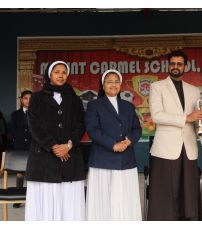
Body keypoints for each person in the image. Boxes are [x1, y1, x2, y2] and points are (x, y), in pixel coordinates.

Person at [147, 50, 202, 221]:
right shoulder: (157, 87)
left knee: (188, 193)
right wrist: (186, 118)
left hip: (188, 148)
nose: (175, 67)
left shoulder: (194, 90)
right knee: (164, 194)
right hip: (165, 148)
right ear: (168, 65)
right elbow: (157, 115)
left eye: (179, 64)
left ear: (185, 67)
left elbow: (197, 121)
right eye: (172, 63)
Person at [25, 61, 86, 220]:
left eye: (64, 72)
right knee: (46, 204)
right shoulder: (37, 98)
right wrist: (53, 146)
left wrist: (69, 145)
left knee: (68, 204)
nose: (61, 75)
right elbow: (34, 126)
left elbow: (80, 125)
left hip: (70, 158)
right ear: (49, 74)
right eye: (57, 72)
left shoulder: (75, 99)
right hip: (44, 160)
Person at [85, 69, 142, 220]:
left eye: (117, 82)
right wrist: (113, 145)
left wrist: (129, 140)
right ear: (103, 85)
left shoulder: (128, 106)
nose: (113, 84)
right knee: (103, 200)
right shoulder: (94, 105)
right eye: (109, 81)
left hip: (126, 159)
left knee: (125, 199)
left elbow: (137, 129)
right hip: (103, 160)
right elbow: (93, 130)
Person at [10, 90, 32, 208]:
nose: (28, 101)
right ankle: (18, 197)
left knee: (32, 172)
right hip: (19, 147)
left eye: (30, 98)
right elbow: (13, 130)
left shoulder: (36, 113)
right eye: (25, 98)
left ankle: (32, 198)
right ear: (21, 100)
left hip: (32, 147)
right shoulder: (15, 114)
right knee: (20, 172)